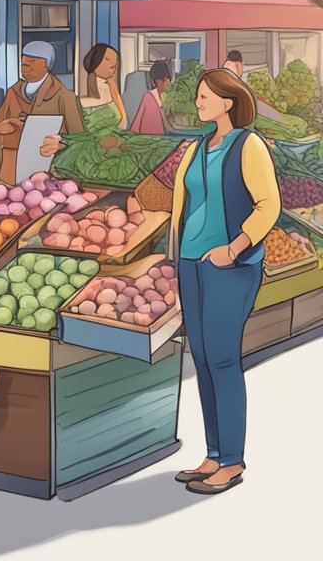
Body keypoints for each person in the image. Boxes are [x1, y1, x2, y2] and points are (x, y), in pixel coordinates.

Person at [169, 68, 279, 495]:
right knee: (200, 359)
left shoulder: (247, 145)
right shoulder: (197, 146)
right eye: (197, 95)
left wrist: (234, 248)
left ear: (228, 101)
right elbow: (187, 201)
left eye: (204, 96)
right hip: (192, 263)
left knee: (222, 359)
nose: (197, 102)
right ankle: (213, 453)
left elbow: (269, 204)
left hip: (230, 266)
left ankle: (232, 460)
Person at [0, 40, 84, 185]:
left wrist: (61, 143)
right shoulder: (14, 91)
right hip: (10, 166)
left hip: (47, 169)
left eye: (30, 63)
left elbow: (79, 138)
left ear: (46, 65)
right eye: (23, 63)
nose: (24, 68)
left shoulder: (64, 97)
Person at [81, 43, 128, 129]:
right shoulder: (81, 101)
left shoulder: (111, 88)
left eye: (116, 60)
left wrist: (124, 117)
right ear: (95, 61)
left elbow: (123, 120)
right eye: (107, 59)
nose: (113, 64)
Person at [129, 61, 173, 135]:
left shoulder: (172, 97)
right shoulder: (149, 96)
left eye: (166, 79)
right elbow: (137, 120)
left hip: (166, 135)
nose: (165, 83)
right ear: (155, 81)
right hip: (148, 137)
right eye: (161, 80)